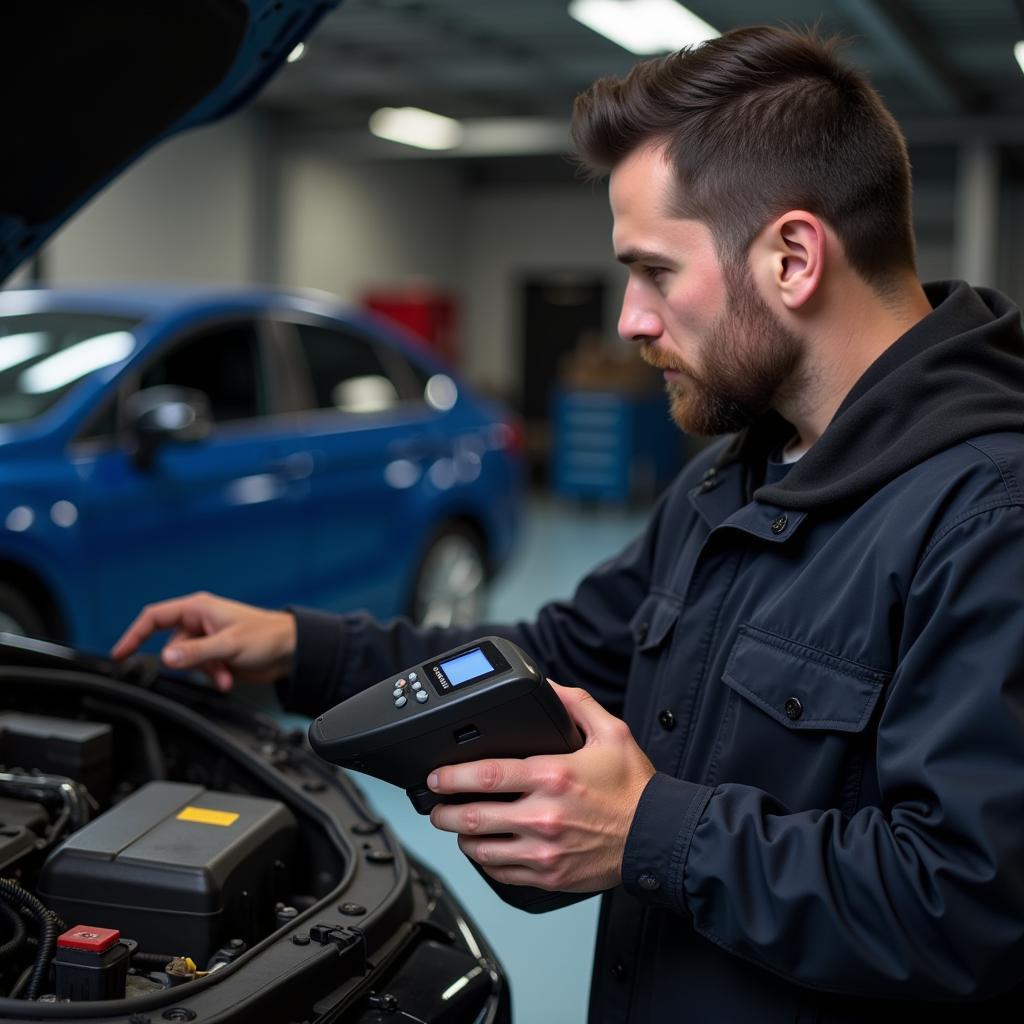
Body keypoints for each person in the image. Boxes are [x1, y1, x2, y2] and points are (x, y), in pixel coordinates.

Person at [112, 25, 1024, 1023]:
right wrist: (300, 647)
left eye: (655, 272)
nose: (629, 319)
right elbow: (548, 657)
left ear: (793, 257)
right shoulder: (732, 477)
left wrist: (648, 832)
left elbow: (974, 906)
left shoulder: (987, 517)